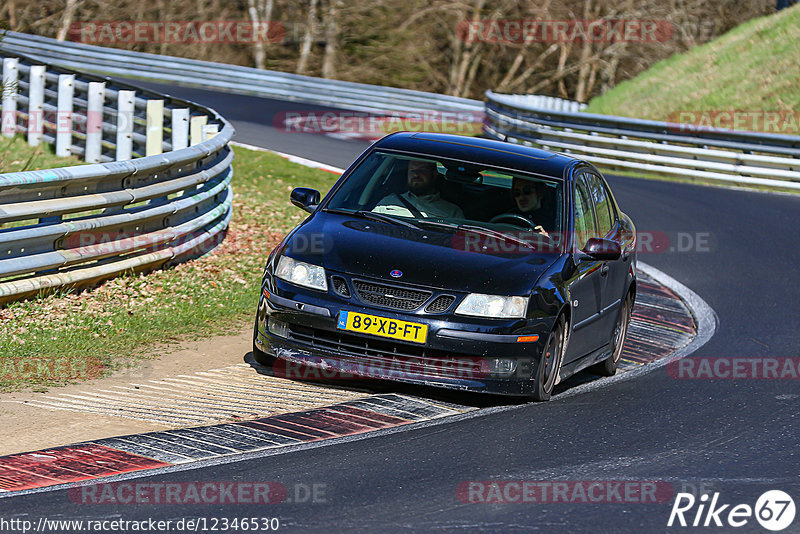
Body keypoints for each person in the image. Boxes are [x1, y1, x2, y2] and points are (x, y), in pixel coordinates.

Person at [373, 160, 464, 218]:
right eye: (412, 170)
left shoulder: (452, 212)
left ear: (435, 174)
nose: (416, 174)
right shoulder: (388, 201)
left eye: (422, 170)